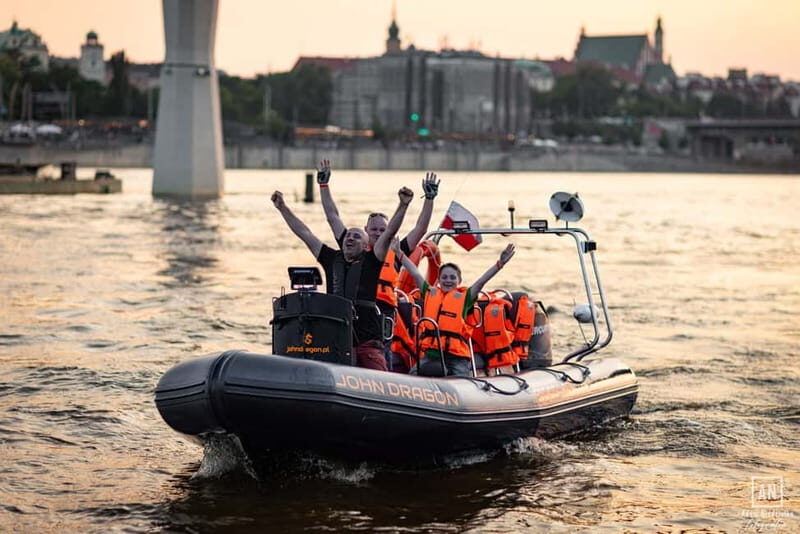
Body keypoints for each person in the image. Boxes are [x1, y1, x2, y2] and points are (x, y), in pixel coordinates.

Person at [271, 186, 414, 371]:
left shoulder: (372, 260)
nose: (350, 238)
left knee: (377, 372)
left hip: (367, 342)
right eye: (348, 235)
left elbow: (389, 233)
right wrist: (282, 207)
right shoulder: (330, 259)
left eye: (356, 236)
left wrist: (403, 205)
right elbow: (304, 233)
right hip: (336, 339)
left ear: (365, 245)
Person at [316, 159, 440, 369]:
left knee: (383, 360)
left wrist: (429, 198)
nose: (378, 233)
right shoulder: (353, 247)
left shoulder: (394, 250)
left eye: (383, 230)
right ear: (365, 230)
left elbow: (421, 227)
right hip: (352, 318)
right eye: (373, 229)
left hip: (382, 321)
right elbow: (332, 216)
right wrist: (324, 186)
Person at [393, 239, 516, 377]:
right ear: (438, 280)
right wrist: (399, 253)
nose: (448, 280)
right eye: (444, 277)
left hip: (456, 357)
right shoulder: (429, 292)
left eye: (452, 277)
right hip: (430, 355)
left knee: (461, 379)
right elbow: (415, 273)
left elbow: (482, 281)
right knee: (412, 375)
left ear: (459, 281)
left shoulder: (465, 297)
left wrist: (499, 264)